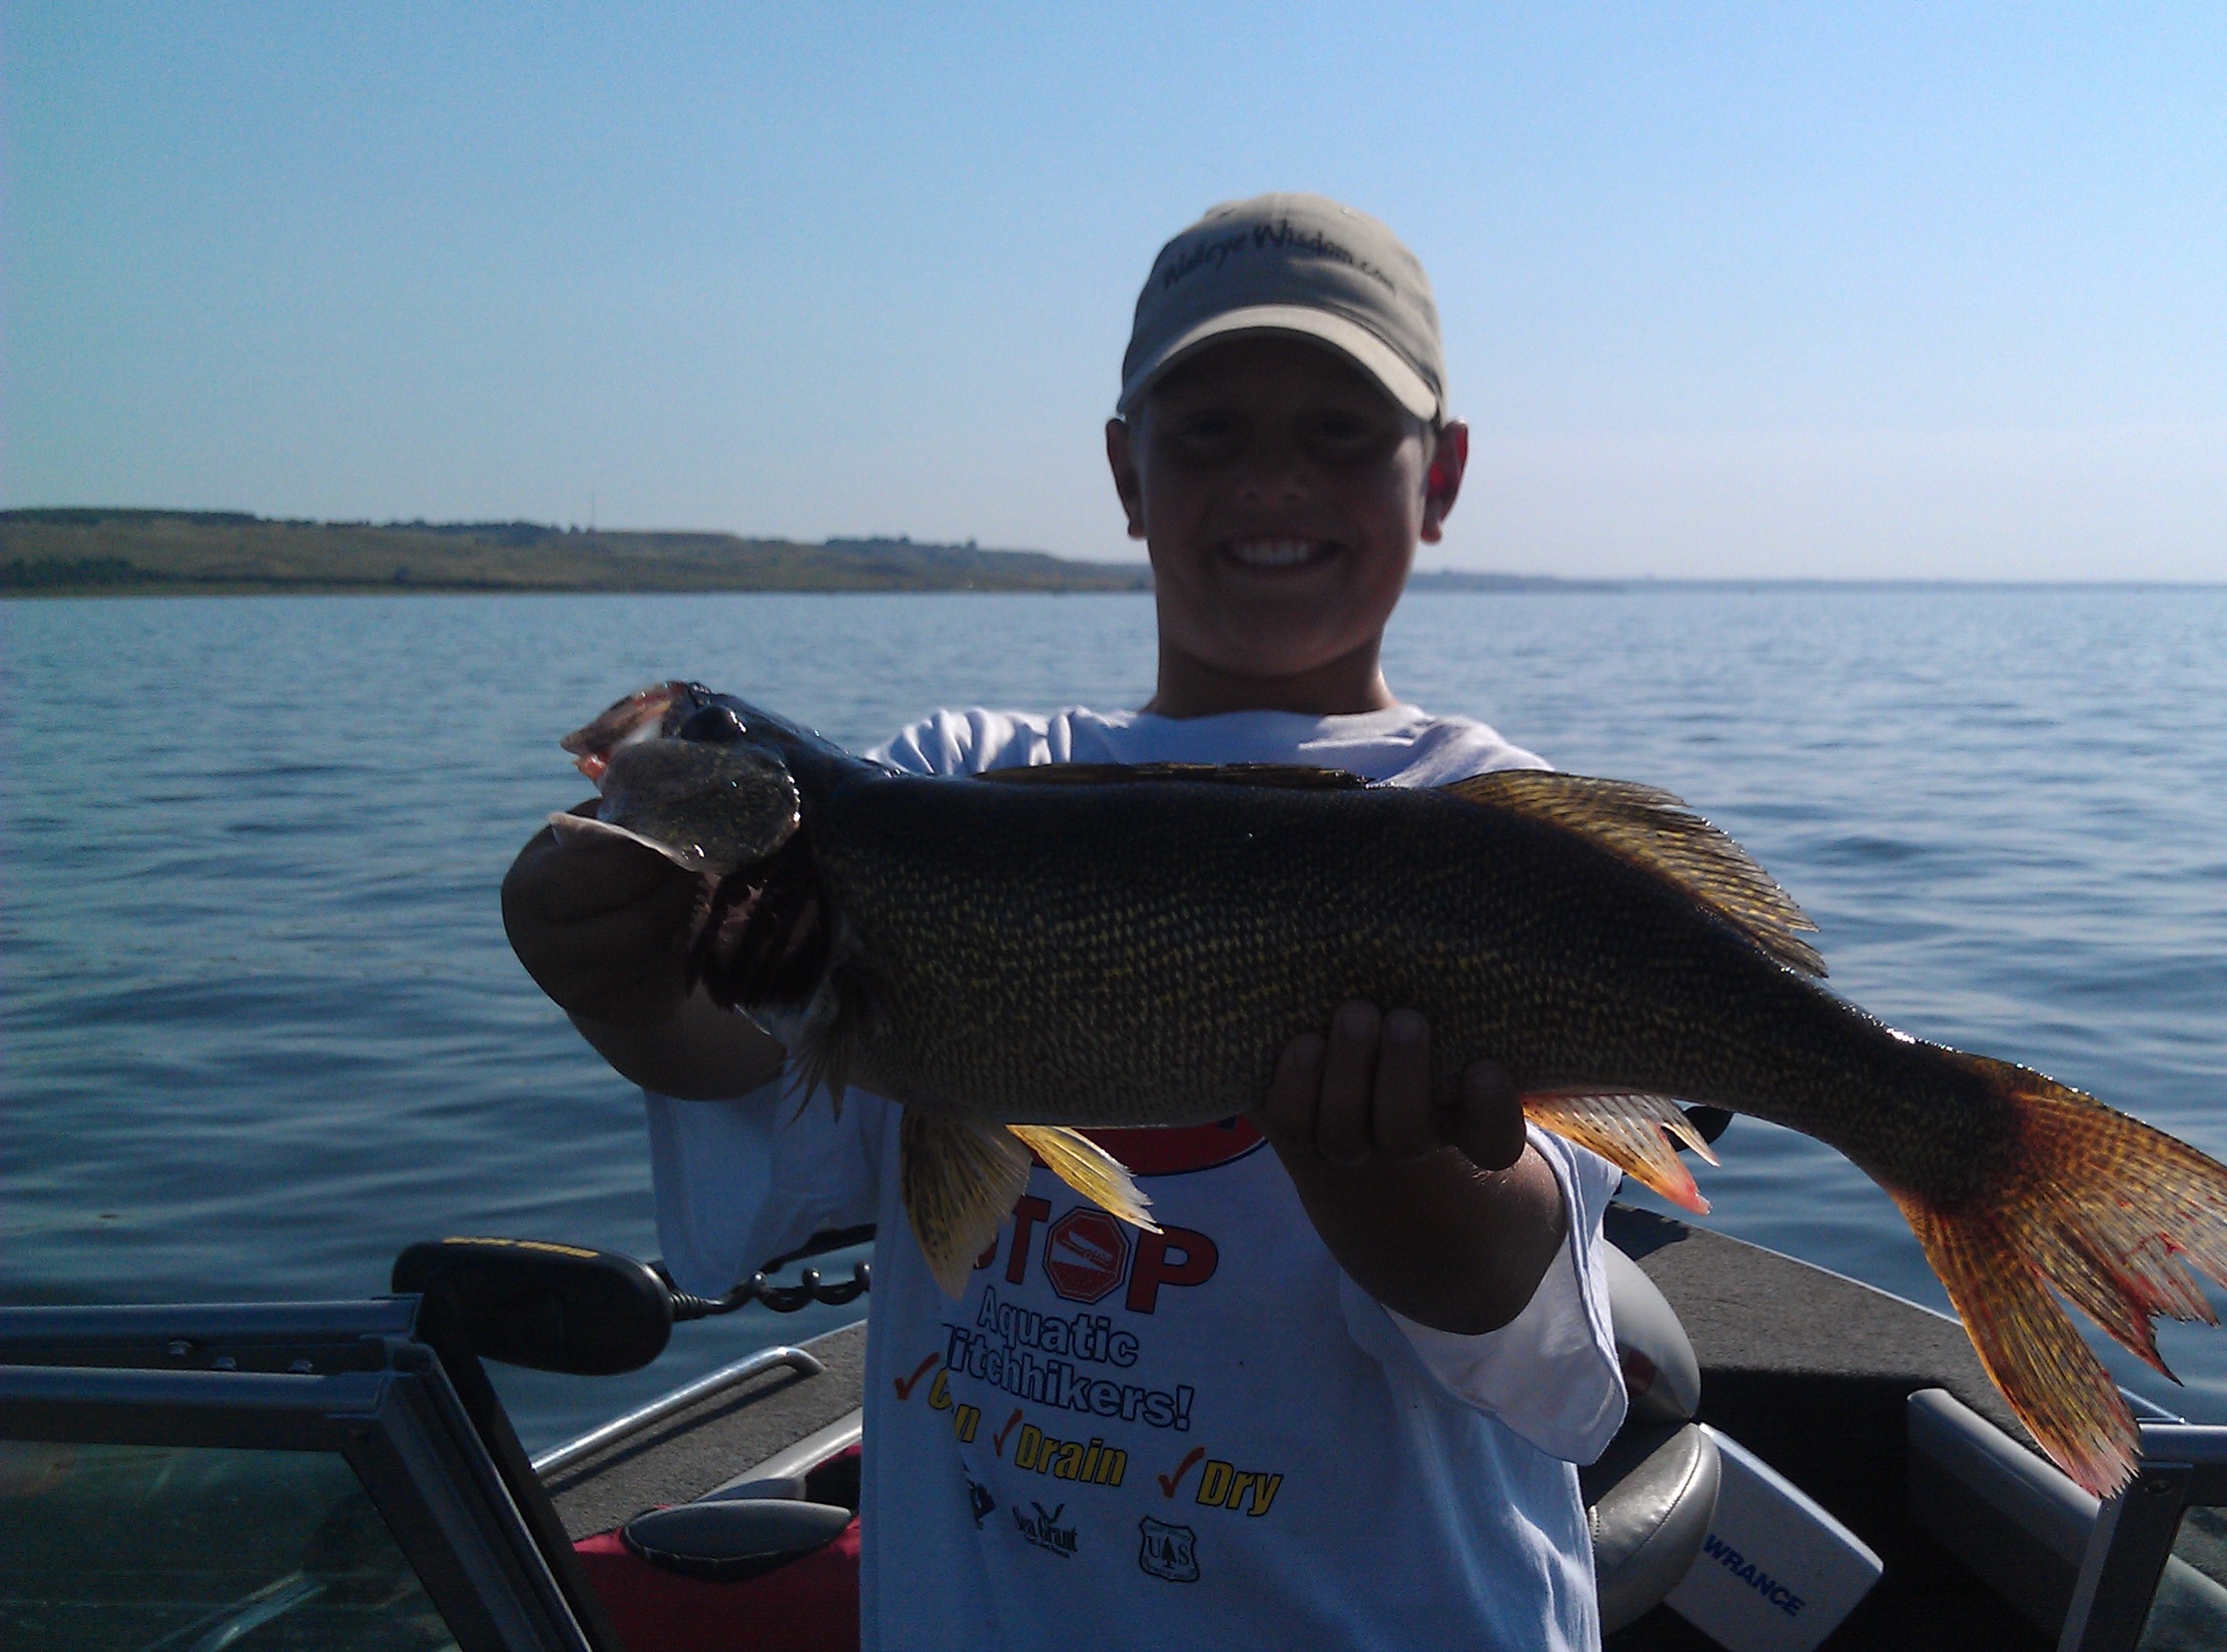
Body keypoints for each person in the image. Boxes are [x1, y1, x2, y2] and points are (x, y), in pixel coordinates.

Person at [501, 194, 1629, 1649]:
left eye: (1343, 430)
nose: (1272, 477)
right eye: (1207, 428)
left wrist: (1395, 1178)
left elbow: (1511, 1305)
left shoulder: (1484, 818)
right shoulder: (952, 779)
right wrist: (623, 982)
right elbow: (742, 1057)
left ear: (1443, 474)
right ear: (1125, 470)